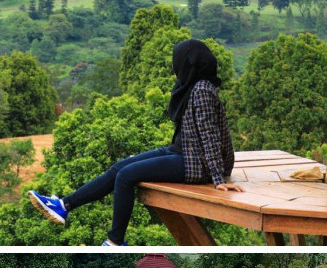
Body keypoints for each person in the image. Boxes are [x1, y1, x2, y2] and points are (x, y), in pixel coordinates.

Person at [27, 40, 239, 245]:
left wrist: (218, 178)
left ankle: (115, 241)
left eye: (178, 62)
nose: (175, 69)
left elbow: (210, 136)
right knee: (120, 166)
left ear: (188, 64)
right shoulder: (192, 86)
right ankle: (63, 205)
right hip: (181, 152)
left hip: (196, 163)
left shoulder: (201, 89)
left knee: (126, 176)